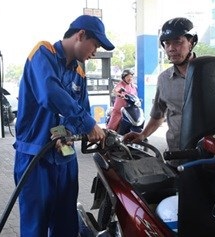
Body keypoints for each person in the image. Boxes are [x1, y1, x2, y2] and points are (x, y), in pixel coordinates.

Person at [13, 15, 115, 237]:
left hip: (65, 155)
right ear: (80, 35)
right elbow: (50, 93)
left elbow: (82, 108)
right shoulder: (43, 52)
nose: (95, 52)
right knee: (35, 225)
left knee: (66, 223)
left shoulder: (79, 72)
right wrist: (88, 124)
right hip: (35, 155)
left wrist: (71, 130)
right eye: (95, 44)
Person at [123, 17, 197, 152]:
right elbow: (158, 115)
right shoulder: (164, 79)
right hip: (176, 154)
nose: (171, 48)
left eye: (177, 42)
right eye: (167, 43)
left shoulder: (209, 73)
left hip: (209, 157)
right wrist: (143, 134)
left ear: (191, 42)